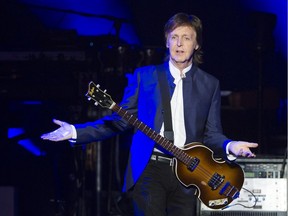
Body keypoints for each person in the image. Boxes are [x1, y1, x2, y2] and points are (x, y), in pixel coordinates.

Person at [41, 12, 258, 216]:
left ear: (197, 44)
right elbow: (119, 121)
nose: (179, 44)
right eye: (174, 37)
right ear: (166, 41)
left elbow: (212, 133)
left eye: (186, 38)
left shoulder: (210, 84)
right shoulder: (145, 77)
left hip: (190, 175)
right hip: (150, 167)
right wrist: (75, 132)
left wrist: (231, 145)